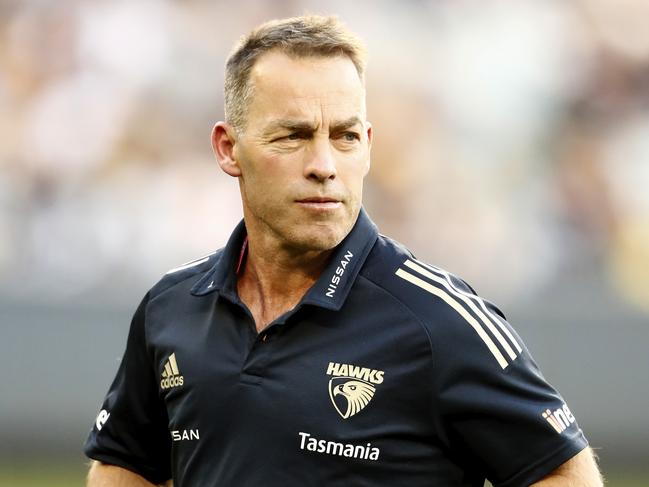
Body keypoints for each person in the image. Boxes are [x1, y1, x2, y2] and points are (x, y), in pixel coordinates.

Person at [84, 15, 603, 487]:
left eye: (346, 136)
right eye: (293, 136)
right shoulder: (170, 308)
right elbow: (124, 464)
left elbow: (563, 475)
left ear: (369, 145)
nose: (324, 164)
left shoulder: (440, 322)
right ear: (228, 148)